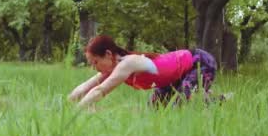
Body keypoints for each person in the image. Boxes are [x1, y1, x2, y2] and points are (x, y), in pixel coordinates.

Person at [68, 35, 223, 108]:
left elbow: (100, 90)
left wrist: (77, 110)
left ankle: (214, 101)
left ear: (108, 54)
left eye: (95, 62)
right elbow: (85, 87)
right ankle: (218, 100)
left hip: (199, 62)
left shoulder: (128, 63)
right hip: (172, 78)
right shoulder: (111, 68)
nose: (93, 67)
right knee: (154, 109)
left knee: (179, 108)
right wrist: (67, 104)